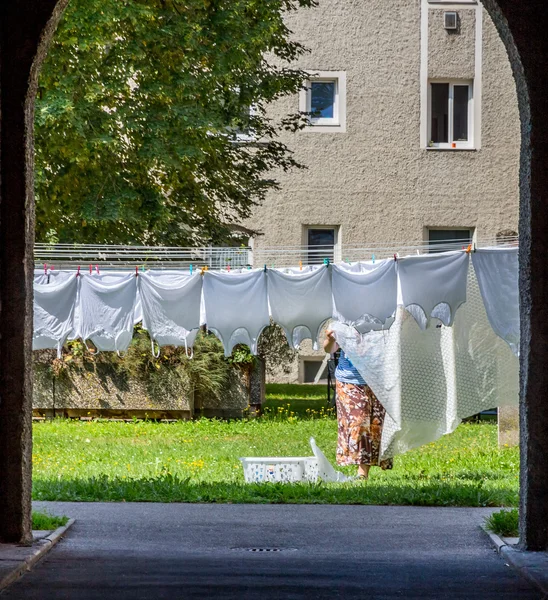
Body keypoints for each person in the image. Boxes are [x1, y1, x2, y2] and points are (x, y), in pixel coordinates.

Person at [324, 329, 393, 479]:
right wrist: (330, 339)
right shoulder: (343, 321)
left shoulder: (383, 318)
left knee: (376, 425)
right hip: (350, 380)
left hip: (378, 379)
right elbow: (329, 349)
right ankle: (362, 472)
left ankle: (368, 467)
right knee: (360, 421)